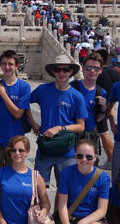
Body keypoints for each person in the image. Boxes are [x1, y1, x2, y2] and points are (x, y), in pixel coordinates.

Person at [29, 55, 87, 187]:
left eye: (65, 70)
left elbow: (81, 126)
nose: (62, 73)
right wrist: (33, 123)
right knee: (38, 188)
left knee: (66, 191)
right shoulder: (43, 90)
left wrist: (60, 128)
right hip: (46, 148)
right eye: (58, 70)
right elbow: (25, 103)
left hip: (67, 150)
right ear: (53, 71)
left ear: (70, 72)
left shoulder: (77, 96)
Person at [57, 139, 110, 224]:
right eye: (79, 155)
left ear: (96, 157)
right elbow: (62, 205)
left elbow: (102, 210)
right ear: (74, 155)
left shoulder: (103, 178)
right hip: (71, 218)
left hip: (92, 220)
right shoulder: (66, 173)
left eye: (89, 156)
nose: (84, 160)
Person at [0, 50, 31, 172]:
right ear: (0, 65)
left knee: (12, 177)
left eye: (10, 64)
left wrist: (3, 94)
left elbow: (18, 114)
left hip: (16, 141)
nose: (7, 67)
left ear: (17, 66)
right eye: (4, 64)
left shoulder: (24, 87)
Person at [71, 52, 107, 150]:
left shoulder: (101, 92)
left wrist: (103, 108)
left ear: (100, 70)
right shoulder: (72, 87)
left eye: (96, 68)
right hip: (73, 134)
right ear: (83, 68)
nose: (92, 71)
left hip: (91, 135)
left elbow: (98, 118)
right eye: (88, 67)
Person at [95, 49, 120, 170]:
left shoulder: (98, 73)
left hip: (101, 106)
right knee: (104, 133)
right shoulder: (114, 72)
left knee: (103, 134)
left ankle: (113, 160)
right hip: (111, 104)